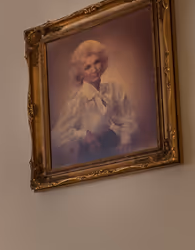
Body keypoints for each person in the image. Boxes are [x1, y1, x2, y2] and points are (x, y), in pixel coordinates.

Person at [52, 38, 140, 166]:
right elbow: (58, 134)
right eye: (87, 67)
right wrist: (84, 135)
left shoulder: (115, 90)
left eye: (96, 62)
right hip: (91, 160)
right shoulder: (76, 101)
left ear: (103, 62)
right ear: (80, 73)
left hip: (120, 152)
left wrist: (125, 138)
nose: (94, 69)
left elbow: (128, 119)